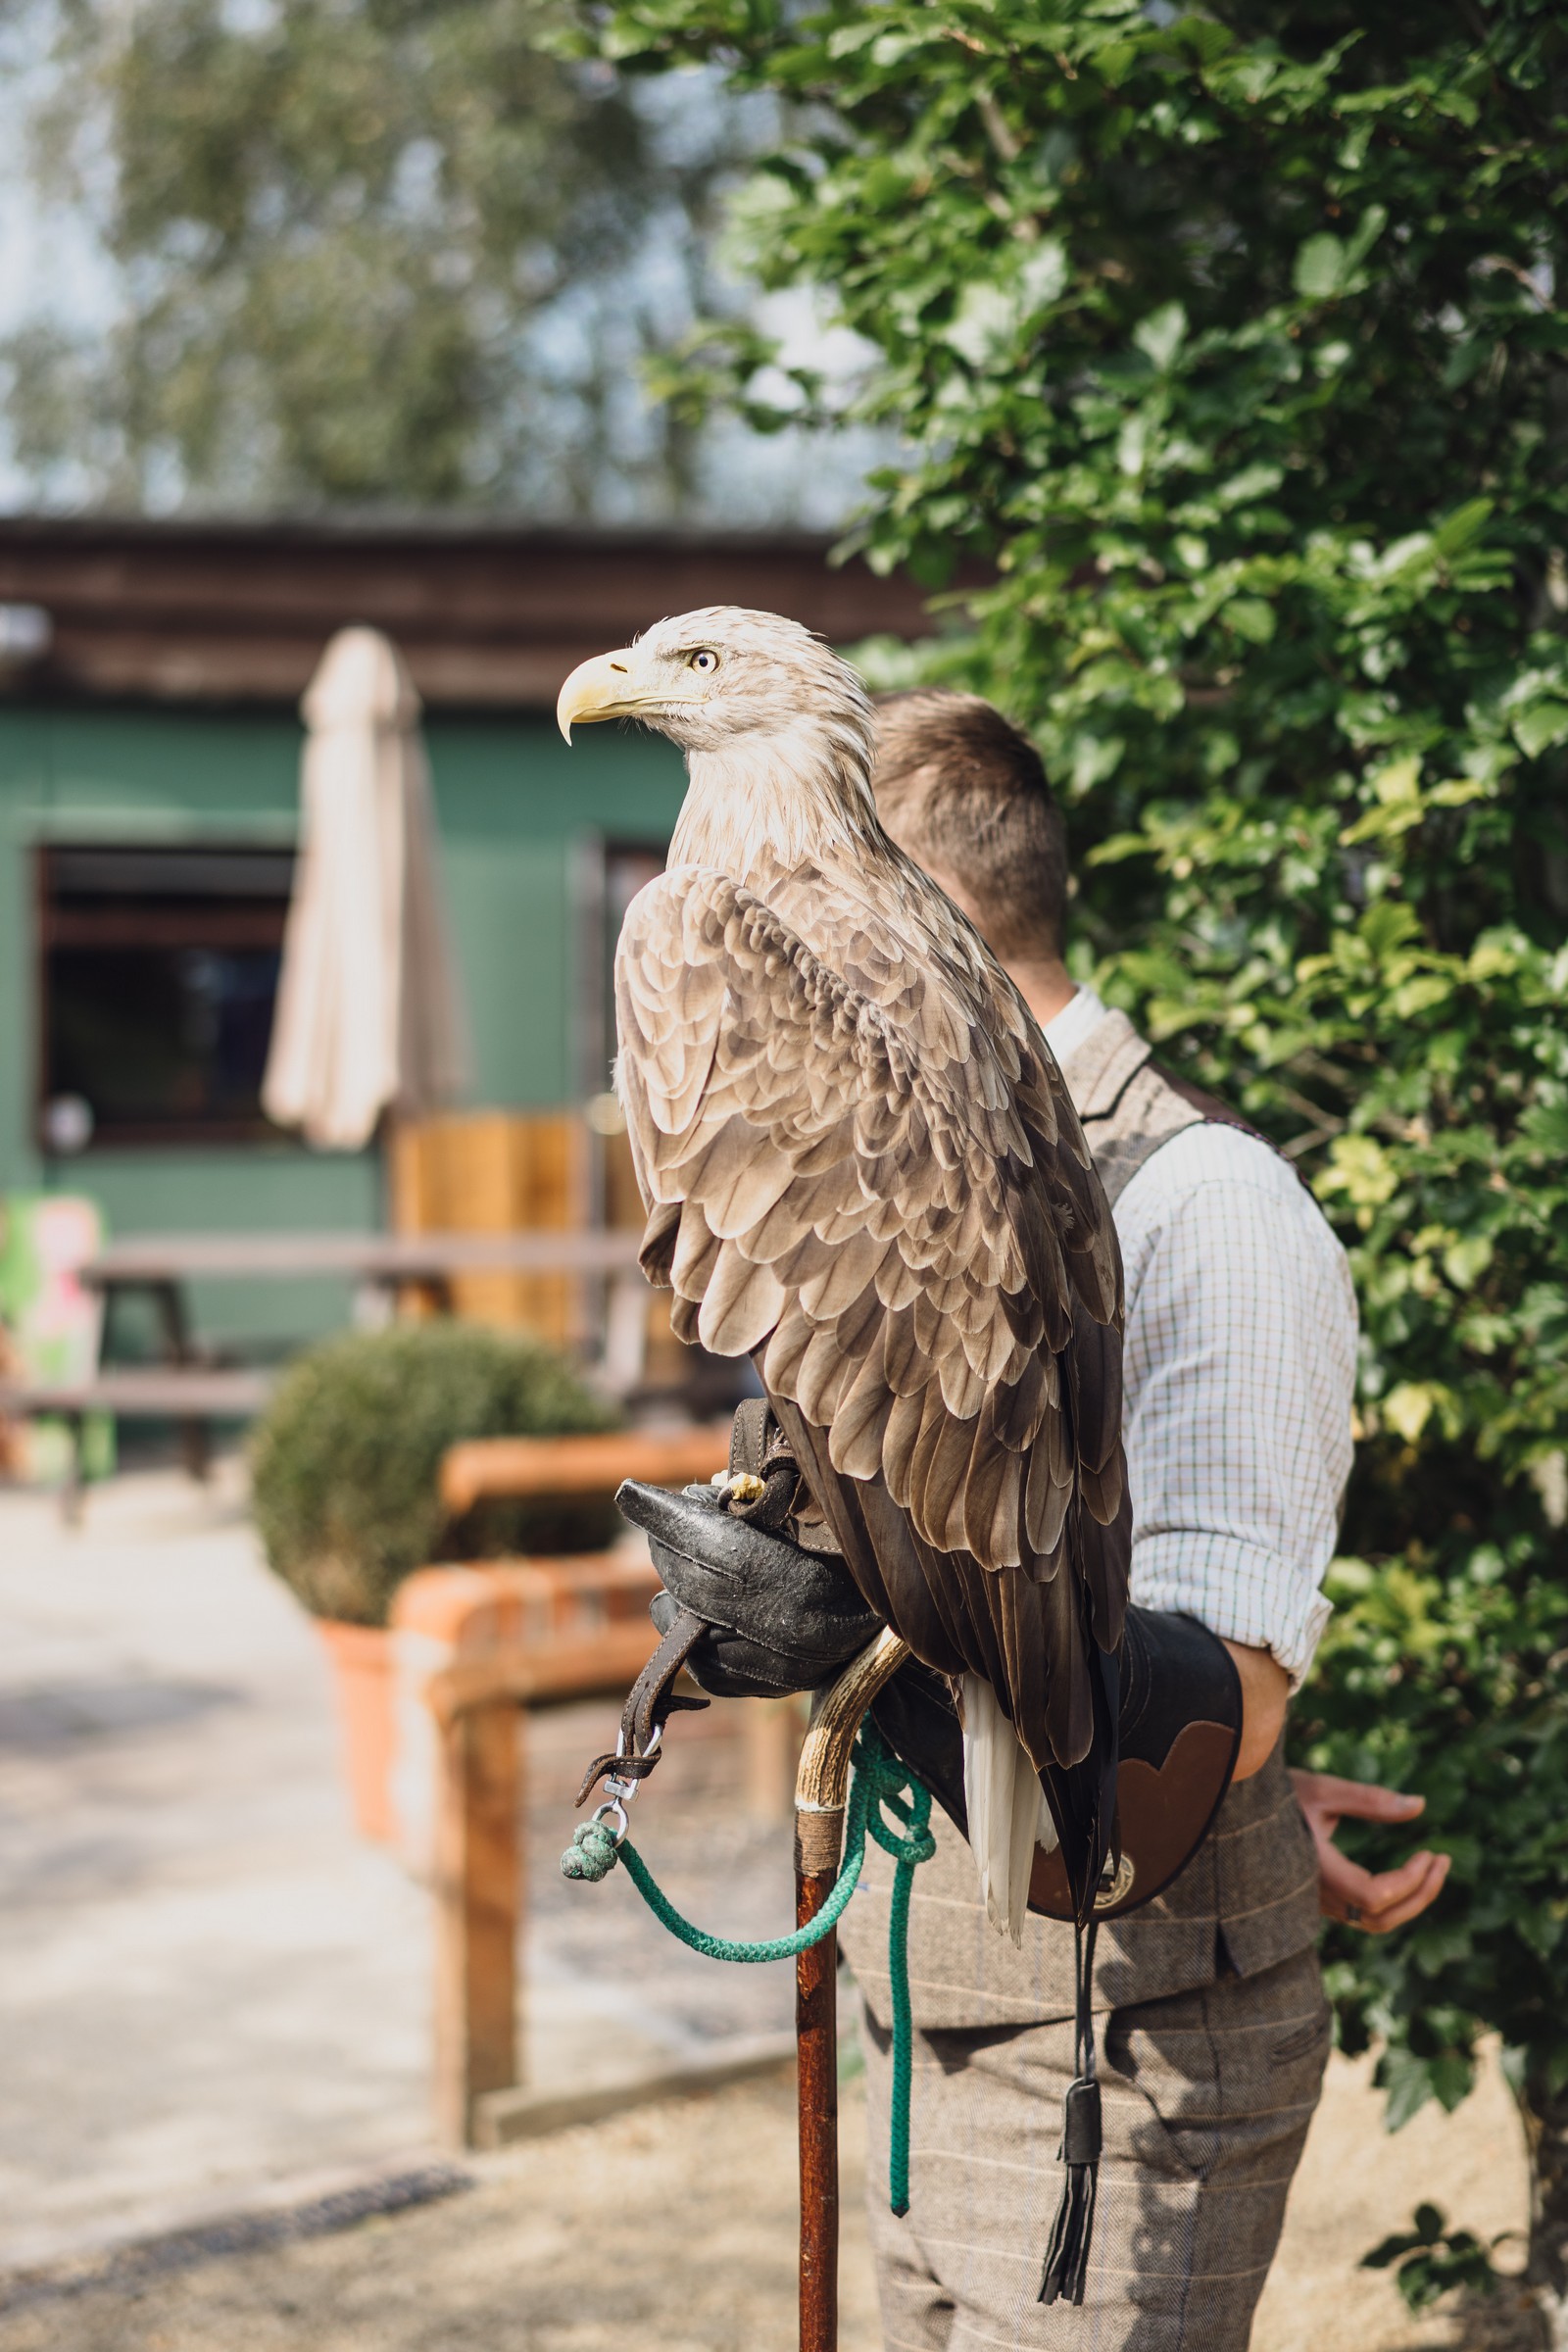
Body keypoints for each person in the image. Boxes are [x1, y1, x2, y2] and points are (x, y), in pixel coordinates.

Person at [818, 687, 1448, 2349]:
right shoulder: (906, 1197)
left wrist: (1225, 1795)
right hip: (920, 2025)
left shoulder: (1202, 1202)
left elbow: (1214, 1711)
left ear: (923, 931)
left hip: (1119, 2068)